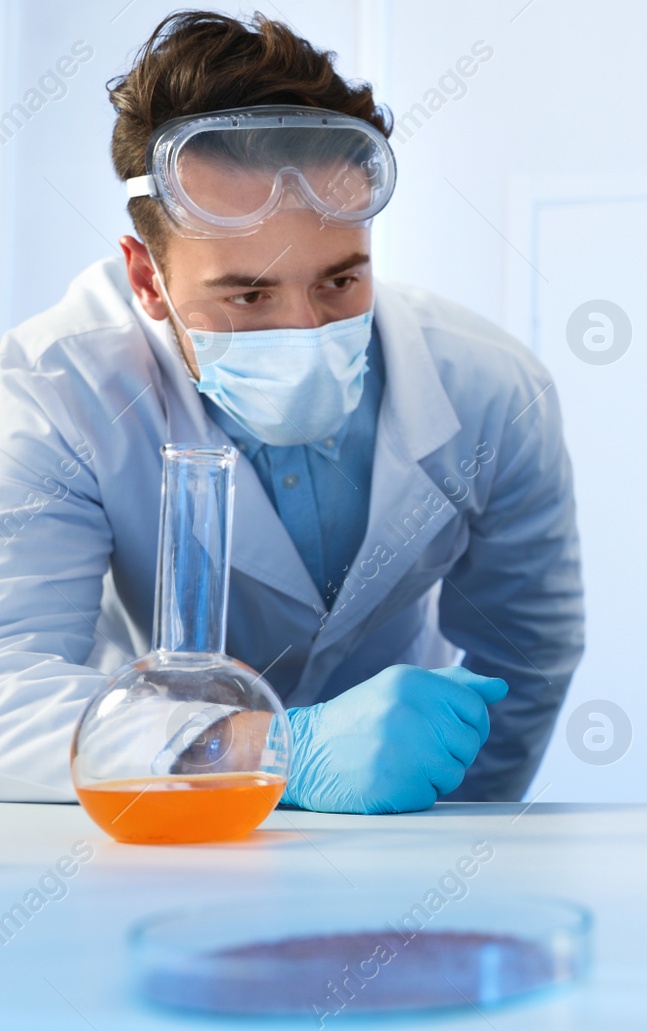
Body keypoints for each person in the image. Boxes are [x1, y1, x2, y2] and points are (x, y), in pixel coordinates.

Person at [0, 13, 583, 812]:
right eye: (248, 294)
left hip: (404, 829)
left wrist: (434, 834)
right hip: (158, 823)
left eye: (340, 281)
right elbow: (10, 691)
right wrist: (272, 754)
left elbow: (527, 660)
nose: (307, 331)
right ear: (146, 280)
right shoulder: (53, 391)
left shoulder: (493, 391)